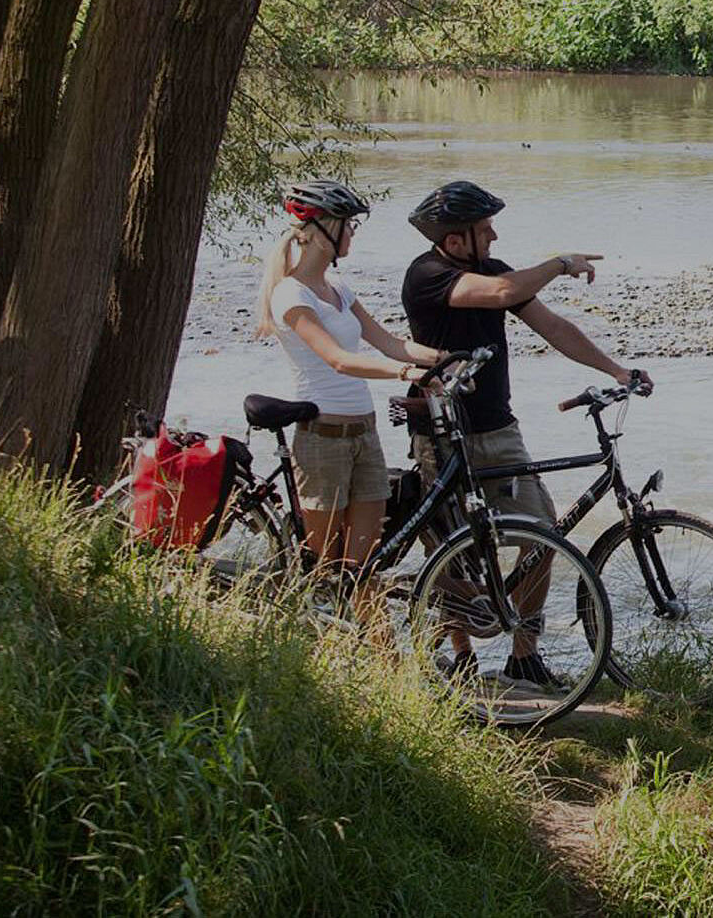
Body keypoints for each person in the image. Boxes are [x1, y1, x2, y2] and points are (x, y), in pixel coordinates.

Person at [400, 180, 646, 688]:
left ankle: (523, 656)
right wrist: (560, 263)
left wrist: (617, 371)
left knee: (544, 533)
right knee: (453, 548)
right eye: (485, 228)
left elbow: (553, 327)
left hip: (499, 426)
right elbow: (504, 294)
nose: (493, 236)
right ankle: (462, 656)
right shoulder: (427, 275)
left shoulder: (492, 269)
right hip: (444, 433)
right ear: (455, 240)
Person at [254, 180, 442, 601]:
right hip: (323, 439)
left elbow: (389, 342)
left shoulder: (338, 288)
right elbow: (337, 359)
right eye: (349, 225)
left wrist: (443, 358)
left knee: (364, 568)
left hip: (365, 434)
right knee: (327, 571)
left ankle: (376, 644)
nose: (353, 234)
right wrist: (405, 374)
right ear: (324, 230)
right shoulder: (291, 294)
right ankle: (320, 637)